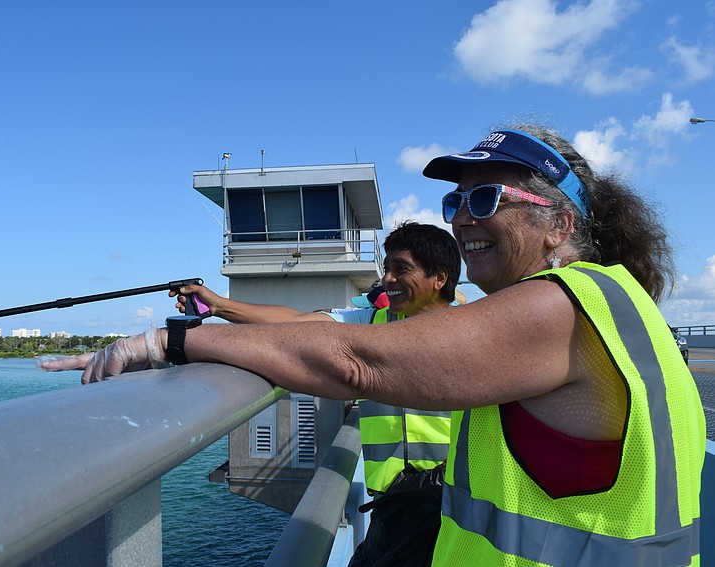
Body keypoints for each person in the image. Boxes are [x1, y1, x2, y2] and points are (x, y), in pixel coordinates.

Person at [45, 124, 705, 565]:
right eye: (454, 204)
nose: (464, 218)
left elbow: (354, 358)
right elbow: (328, 332)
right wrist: (217, 310)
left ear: (558, 222)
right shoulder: (618, 306)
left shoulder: (561, 308)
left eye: (483, 197)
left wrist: (177, 340)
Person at [171, 222, 461, 565]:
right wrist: (219, 306)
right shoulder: (369, 323)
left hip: (448, 503)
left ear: (439, 278)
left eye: (402, 269)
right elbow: (296, 322)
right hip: (390, 503)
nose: (388, 279)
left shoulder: (467, 332)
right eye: (387, 268)